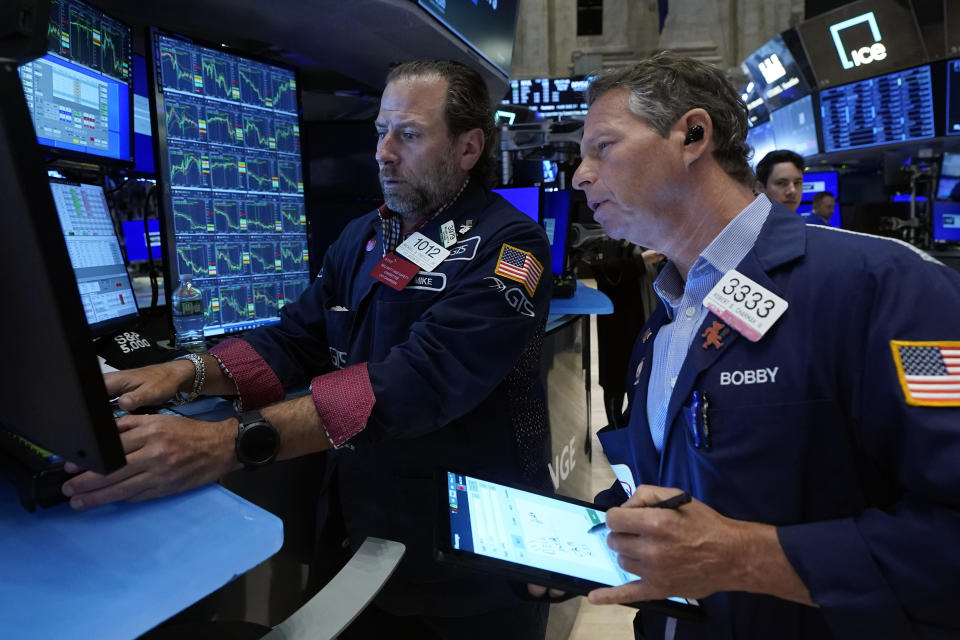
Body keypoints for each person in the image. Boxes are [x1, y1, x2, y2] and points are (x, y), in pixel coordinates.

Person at [63, 59, 552, 639]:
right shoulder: (365, 236)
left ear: (469, 147)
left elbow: (416, 384)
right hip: (359, 536)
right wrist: (186, 372)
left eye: (410, 135)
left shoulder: (510, 244)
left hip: (466, 563)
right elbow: (297, 341)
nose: (384, 152)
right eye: (380, 131)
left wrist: (230, 442)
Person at [570, 51, 960, 639]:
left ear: (692, 134)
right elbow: (678, 483)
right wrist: (590, 537)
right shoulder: (668, 316)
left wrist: (746, 557)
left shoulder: (884, 286)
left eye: (602, 146)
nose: (579, 174)